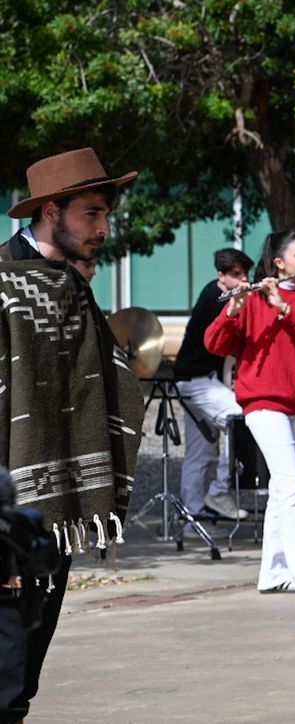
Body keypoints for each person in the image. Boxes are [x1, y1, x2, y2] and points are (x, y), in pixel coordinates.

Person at [1, 148, 143, 723]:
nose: (105, 228)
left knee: (27, 666)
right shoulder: (3, 285)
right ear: (51, 210)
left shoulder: (72, 286)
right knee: (5, 676)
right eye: (92, 213)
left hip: (57, 513)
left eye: (107, 214)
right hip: (5, 510)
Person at [204, 229, 295, 598]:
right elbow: (215, 343)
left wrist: (284, 306)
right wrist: (232, 311)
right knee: (292, 484)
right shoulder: (250, 299)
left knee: (283, 488)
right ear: (279, 263)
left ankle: (273, 572)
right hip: (263, 403)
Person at [175, 247, 255, 523]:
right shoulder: (218, 299)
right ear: (221, 275)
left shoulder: (217, 292)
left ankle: (192, 514)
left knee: (201, 451)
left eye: (245, 273)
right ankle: (220, 491)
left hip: (192, 381)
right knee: (241, 422)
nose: (244, 279)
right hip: (197, 382)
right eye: (236, 274)